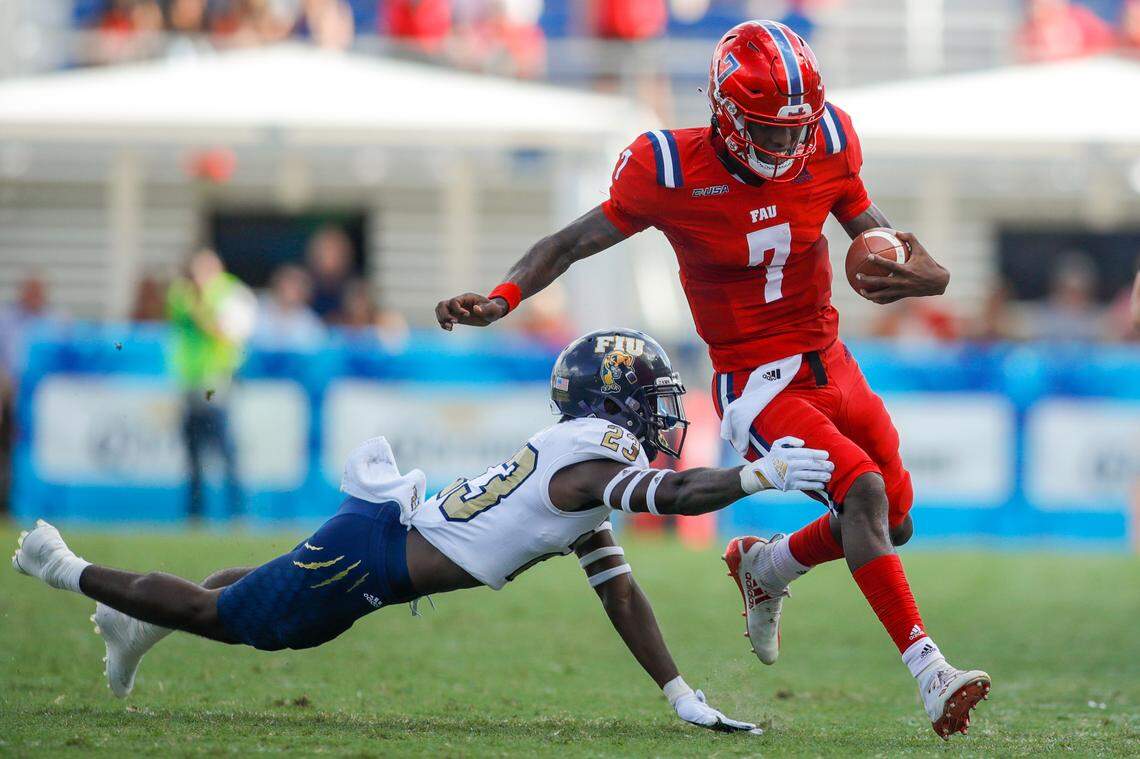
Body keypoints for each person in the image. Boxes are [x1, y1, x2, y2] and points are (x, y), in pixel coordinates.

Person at [434, 21, 989, 740]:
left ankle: (769, 563)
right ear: (726, 114)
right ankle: (931, 672)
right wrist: (503, 297)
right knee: (867, 493)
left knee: (893, 521)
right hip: (759, 381)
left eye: (797, 131)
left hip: (833, 359)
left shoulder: (825, 143)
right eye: (769, 130)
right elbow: (569, 242)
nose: (788, 147)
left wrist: (928, 276)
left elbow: (876, 232)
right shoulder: (669, 168)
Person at [11, 329, 834, 735]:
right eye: (649, 397)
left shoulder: (581, 464)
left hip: (379, 536)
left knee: (255, 583)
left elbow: (619, 590)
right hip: (370, 560)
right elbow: (682, 491)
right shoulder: (593, 458)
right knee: (232, 620)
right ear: (611, 401)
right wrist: (758, 474)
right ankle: (65, 567)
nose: (661, 414)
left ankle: (131, 626)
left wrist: (680, 696)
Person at [167, 249, 255, 520]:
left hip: (217, 382)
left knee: (226, 450)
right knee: (193, 455)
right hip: (190, 383)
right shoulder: (183, 293)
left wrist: (202, 311)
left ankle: (236, 513)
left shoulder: (231, 294)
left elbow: (229, 332)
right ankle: (196, 515)